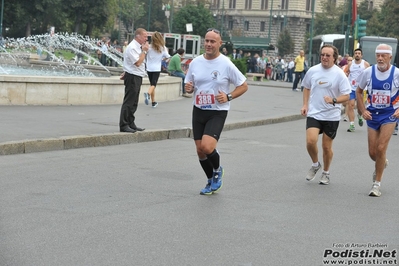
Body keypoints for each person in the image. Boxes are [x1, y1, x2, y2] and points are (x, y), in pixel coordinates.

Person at [184, 28, 248, 195]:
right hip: (198, 109)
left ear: (220, 44)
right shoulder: (196, 62)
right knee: (199, 149)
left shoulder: (226, 63)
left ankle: (218, 170)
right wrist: (189, 88)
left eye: (213, 41)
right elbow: (189, 84)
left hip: (217, 111)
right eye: (207, 41)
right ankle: (210, 179)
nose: (209, 44)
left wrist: (228, 96)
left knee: (207, 146)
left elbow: (243, 86)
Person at [300, 44, 351, 185]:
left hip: (331, 115)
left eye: (328, 55)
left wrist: (334, 100)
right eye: (322, 54)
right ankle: (316, 164)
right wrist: (305, 105)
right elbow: (306, 87)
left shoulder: (339, 74)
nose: (324, 57)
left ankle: (326, 172)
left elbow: (346, 95)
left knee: (326, 147)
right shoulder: (313, 70)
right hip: (315, 112)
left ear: (334, 58)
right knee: (310, 141)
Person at [356, 43, 399, 197]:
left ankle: (377, 184)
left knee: (381, 148)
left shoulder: (396, 73)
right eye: (378, 56)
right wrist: (363, 110)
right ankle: (382, 162)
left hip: (389, 114)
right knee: (373, 153)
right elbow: (358, 91)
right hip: (372, 114)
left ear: (390, 57)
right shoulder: (368, 72)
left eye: (383, 56)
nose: (380, 59)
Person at [119, 28, 149, 133]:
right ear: (138, 36)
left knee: (134, 102)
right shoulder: (132, 47)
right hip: (132, 76)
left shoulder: (139, 47)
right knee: (129, 101)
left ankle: (131, 123)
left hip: (137, 75)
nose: (146, 38)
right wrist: (144, 51)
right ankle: (123, 124)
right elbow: (137, 62)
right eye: (145, 36)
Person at [344, 49, 370, 132]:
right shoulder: (350, 64)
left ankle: (359, 115)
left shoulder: (365, 64)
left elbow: (370, 75)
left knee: (360, 107)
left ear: (361, 55)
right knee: (351, 105)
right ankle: (352, 125)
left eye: (359, 53)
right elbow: (347, 73)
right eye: (356, 53)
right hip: (351, 88)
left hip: (362, 89)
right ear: (354, 55)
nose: (357, 55)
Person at [143, 31, 171, 108]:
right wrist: (163, 59)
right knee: (153, 85)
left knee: (152, 85)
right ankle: (148, 94)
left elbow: (144, 54)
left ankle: (153, 102)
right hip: (156, 69)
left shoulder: (148, 47)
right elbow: (168, 57)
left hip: (149, 68)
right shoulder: (162, 48)